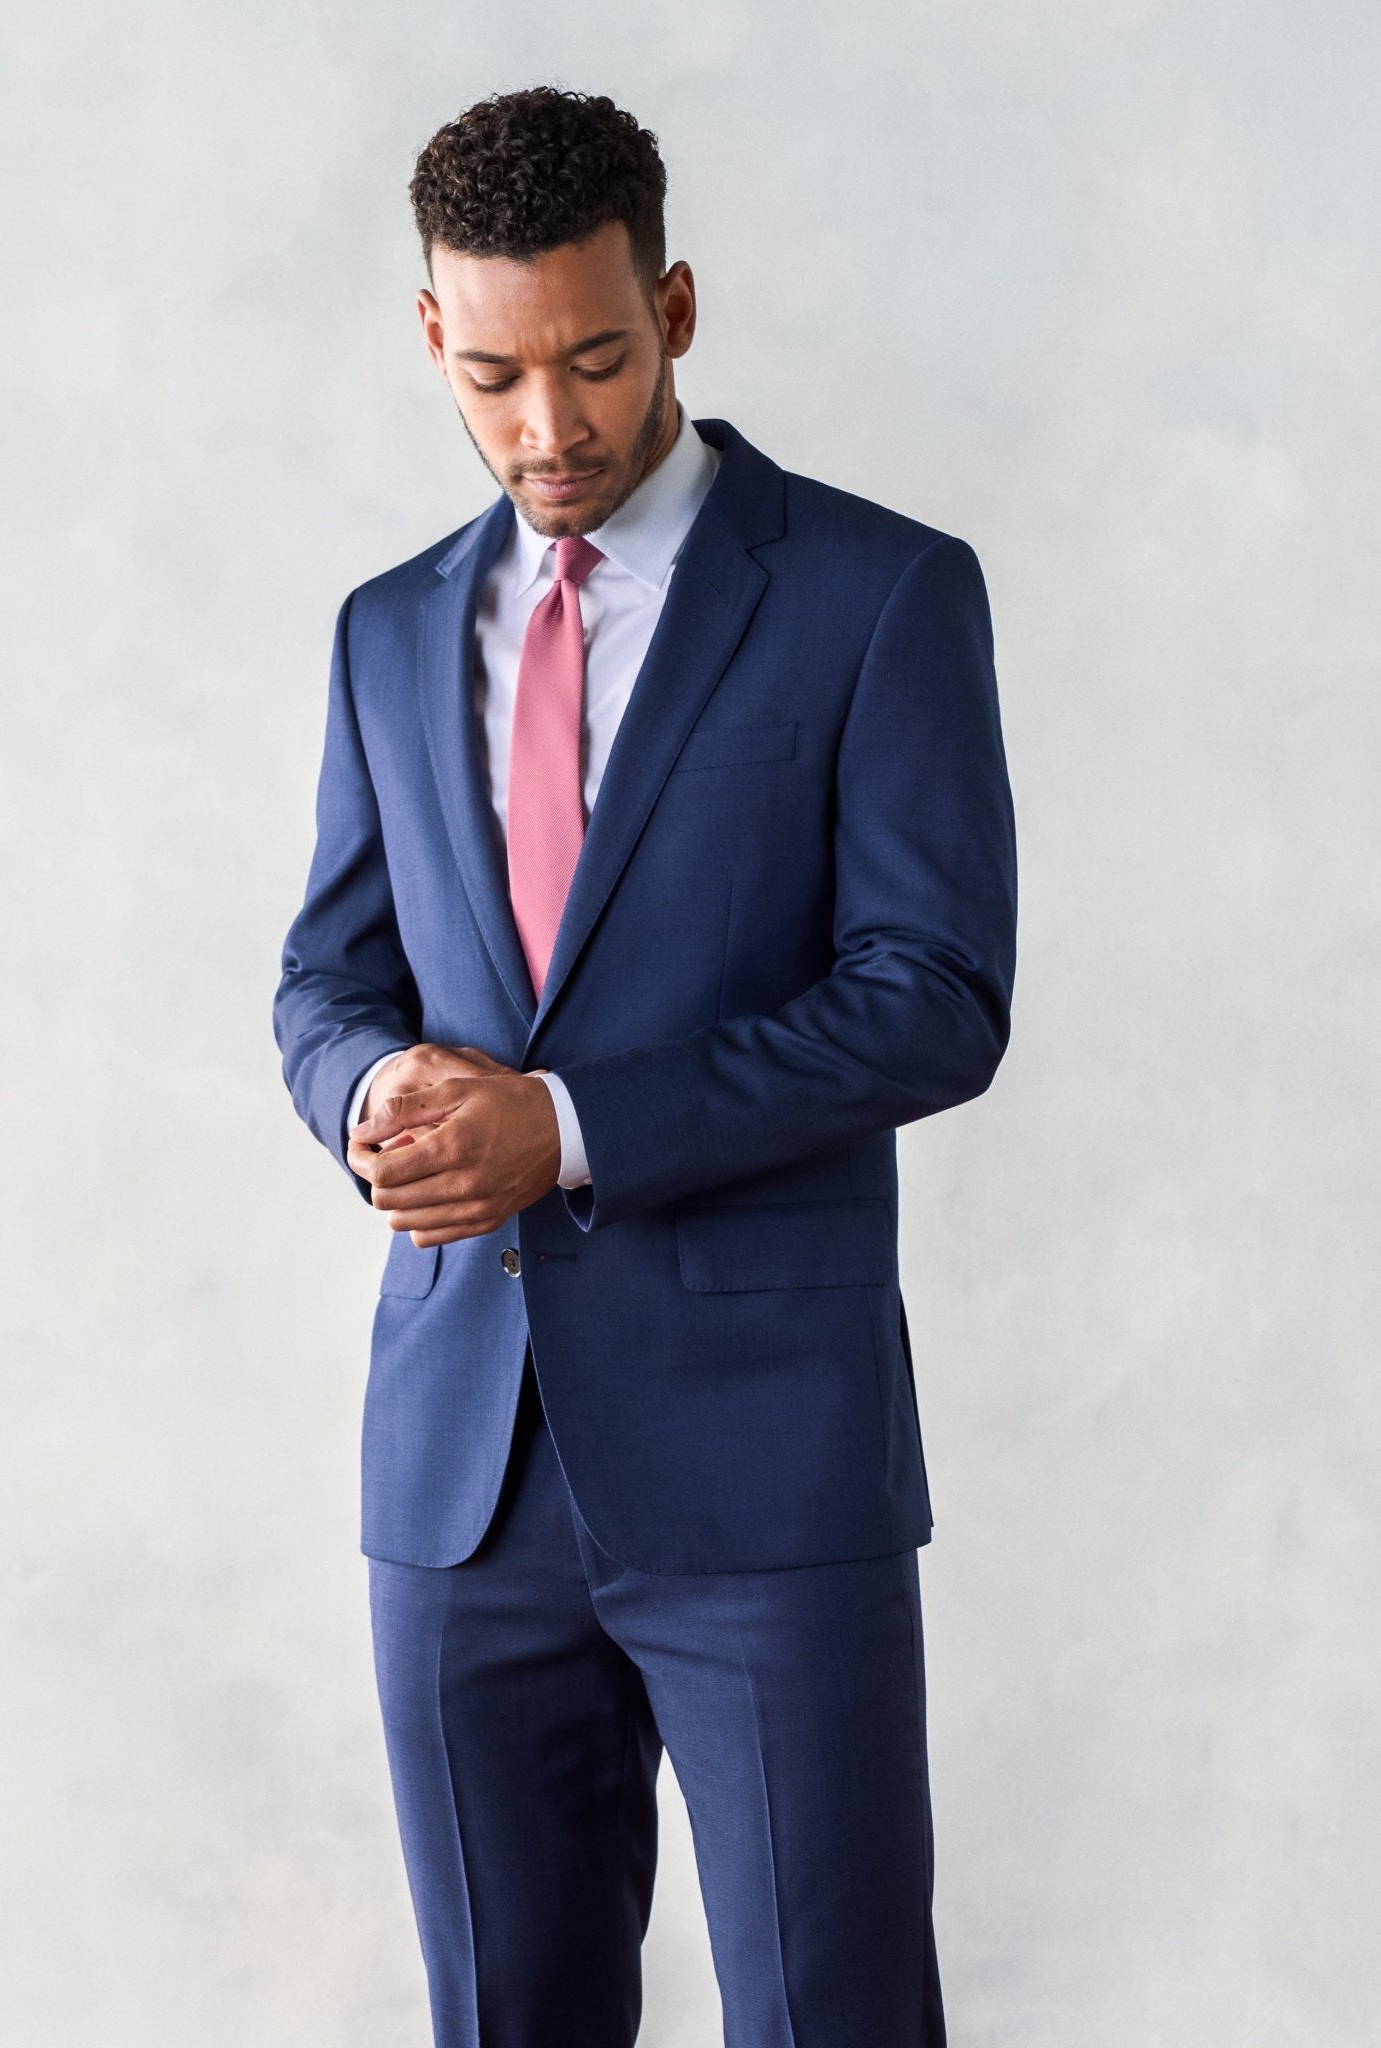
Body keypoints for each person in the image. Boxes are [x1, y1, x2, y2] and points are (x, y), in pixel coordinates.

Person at [273, 84, 1017, 2048]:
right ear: (432, 335)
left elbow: (936, 990)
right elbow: (328, 975)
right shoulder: (384, 634)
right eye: (495, 375)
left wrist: (570, 1127)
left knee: (831, 2016)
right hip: (460, 1471)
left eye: (597, 360)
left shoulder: (876, 594)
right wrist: (369, 1093)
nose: (551, 426)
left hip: (766, 1470)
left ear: (673, 308)